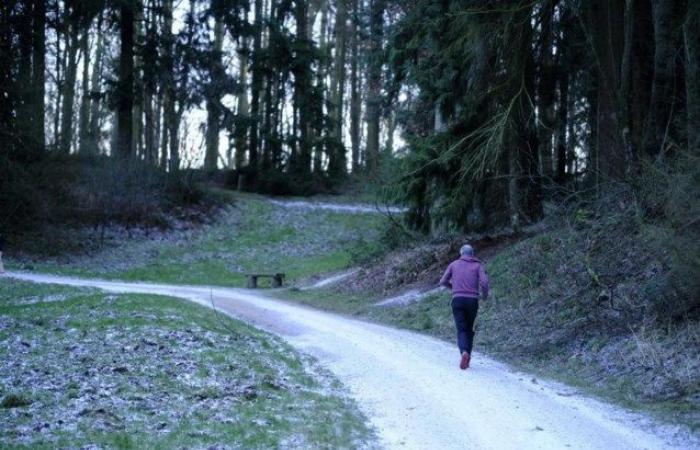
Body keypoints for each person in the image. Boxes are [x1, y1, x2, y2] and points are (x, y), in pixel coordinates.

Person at [440, 244, 489, 370]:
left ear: (461, 253)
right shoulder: (477, 265)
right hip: (472, 301)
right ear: (472, 254)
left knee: (461, 329)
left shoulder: (453, 264)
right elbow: (484, 282)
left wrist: (454, 289)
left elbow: (443, 281)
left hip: (457, 300)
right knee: (469, 329)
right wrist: (484, 296)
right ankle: (468, 356)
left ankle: (464, 353)